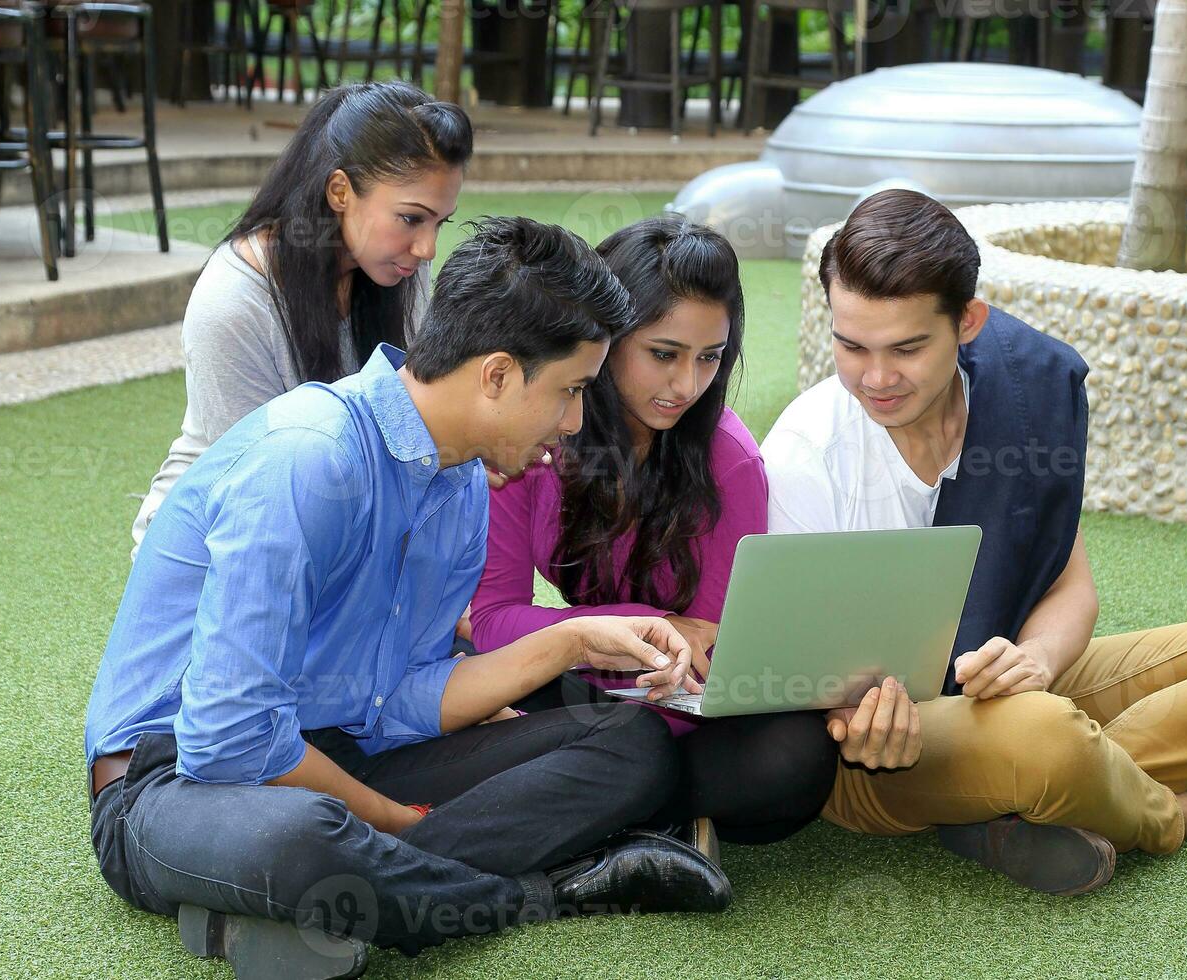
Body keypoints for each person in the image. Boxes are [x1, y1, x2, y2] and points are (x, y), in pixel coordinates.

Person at [85, 217, 730, 980]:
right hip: (176, 781)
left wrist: (572, 640)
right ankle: (549, 890)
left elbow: (396, 702)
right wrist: (385, 817)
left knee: (633, 744)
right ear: (495, 375)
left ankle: (330, 898)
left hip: (337, 747)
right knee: (304, 843)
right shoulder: (308, 458)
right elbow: (229, 740)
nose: (574, 423)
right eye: (570, 391)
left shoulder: (460, 479)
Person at [761, 189, 1187, 896]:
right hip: (876, 758)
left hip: (1004, 701)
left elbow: (1069, 586)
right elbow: (793, 676)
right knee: (1047, 738)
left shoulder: (1018, 398)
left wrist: (1034, 658)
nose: (876, 378)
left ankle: (1018, 802)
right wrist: (852, 713)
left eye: (907, 348)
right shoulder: (806, 451)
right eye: (852, 346)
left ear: (966, 323)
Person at [470, 217, 838, 850]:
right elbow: (489, 619)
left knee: (791, 761)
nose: (686, 385)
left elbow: (713, 655)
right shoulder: (532, 435)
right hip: (567, 683)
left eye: (710, 358)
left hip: (672, 712)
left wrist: (674, 649)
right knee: (460, 688)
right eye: (663, 355)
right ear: (606, 338)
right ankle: (641, 811)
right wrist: (636, 622)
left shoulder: (732, 463)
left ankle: (604, 805)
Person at [130, 80, 471, 553]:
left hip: (337, 525)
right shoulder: (235, 299)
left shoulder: (399, 264)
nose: (427, 247)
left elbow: (415, 416)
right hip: (220, 549)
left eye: (440, 222)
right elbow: (261, 491)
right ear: (340, 191)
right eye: (412, 218)